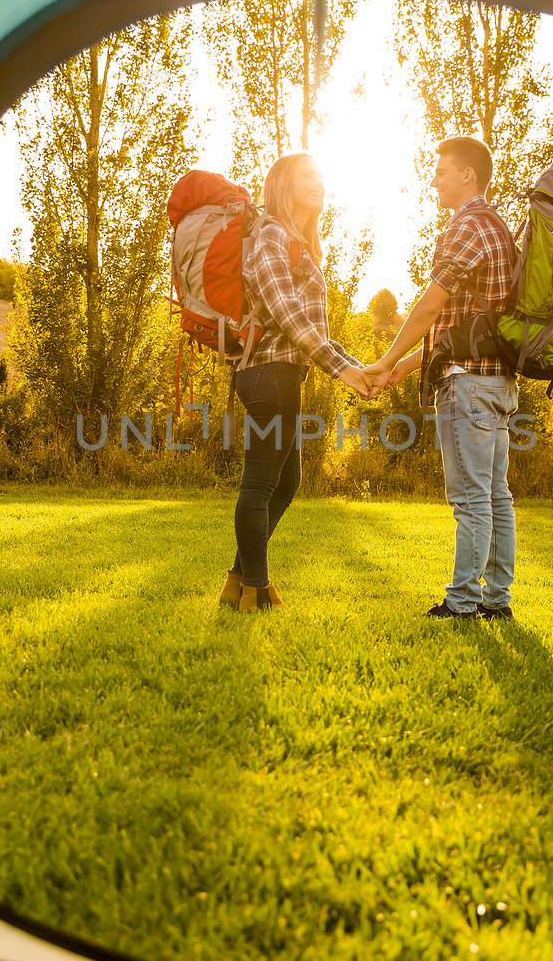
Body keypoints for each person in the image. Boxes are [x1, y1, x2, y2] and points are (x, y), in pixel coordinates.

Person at [366, 136, 519, 619]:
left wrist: (387, 359)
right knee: (496, 496)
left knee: (472, 499)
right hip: (497, 384)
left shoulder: (466, 227)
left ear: (468, 175)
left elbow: (432, 307)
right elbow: (461, 326)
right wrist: (406, 368)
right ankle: (496, 600)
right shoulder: (498, 228)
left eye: (441, 171)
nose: (434, 180)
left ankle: (462, 603)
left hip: (468, 387)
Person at [218, 152, 376, 614]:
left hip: (281, 374)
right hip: (268, 375)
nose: (319, 183)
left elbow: (313, 333)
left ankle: (237, 582)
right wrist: (342, 370)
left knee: (286, 483)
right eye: (308, 176)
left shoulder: (294, 243)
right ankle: (258, 593)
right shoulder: (270, 235)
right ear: (284, 185)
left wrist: (358, 367)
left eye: (321, 175)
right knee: (261, 485)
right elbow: (287, 316)